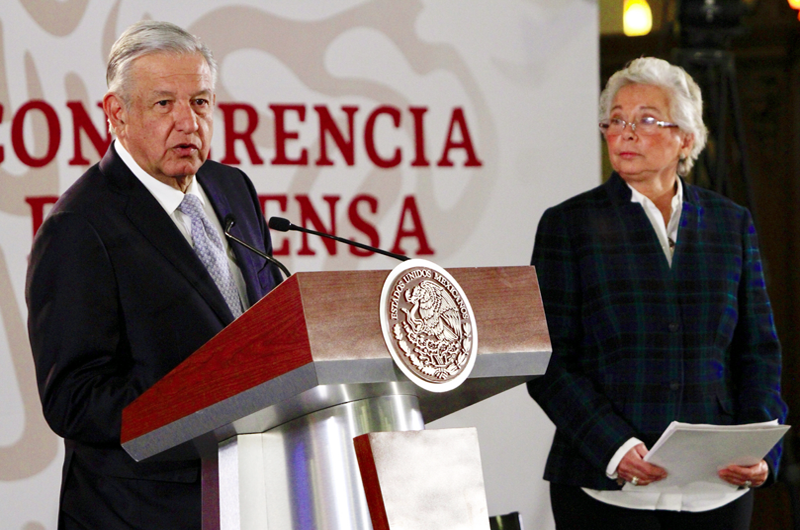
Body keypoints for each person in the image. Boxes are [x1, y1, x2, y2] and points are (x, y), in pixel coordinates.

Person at [25, 21, 282, 530]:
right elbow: (73, 399)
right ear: (116, 114)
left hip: (255, 495)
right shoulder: (79, 226)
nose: (188, 123)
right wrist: (203, 396)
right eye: (164, 104)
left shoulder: (232, 187)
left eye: (202, 102)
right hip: (143, 513)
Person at [527, 57, 787, 529]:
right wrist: (615, 447)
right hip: (606, 491)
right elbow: (547, 360)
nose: (626, 132)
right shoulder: (569, 225)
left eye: (646, 119)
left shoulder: (732, 224)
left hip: (718, 493)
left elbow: (759, 352)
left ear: (685, 137)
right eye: (616, 120)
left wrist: (760, 447)